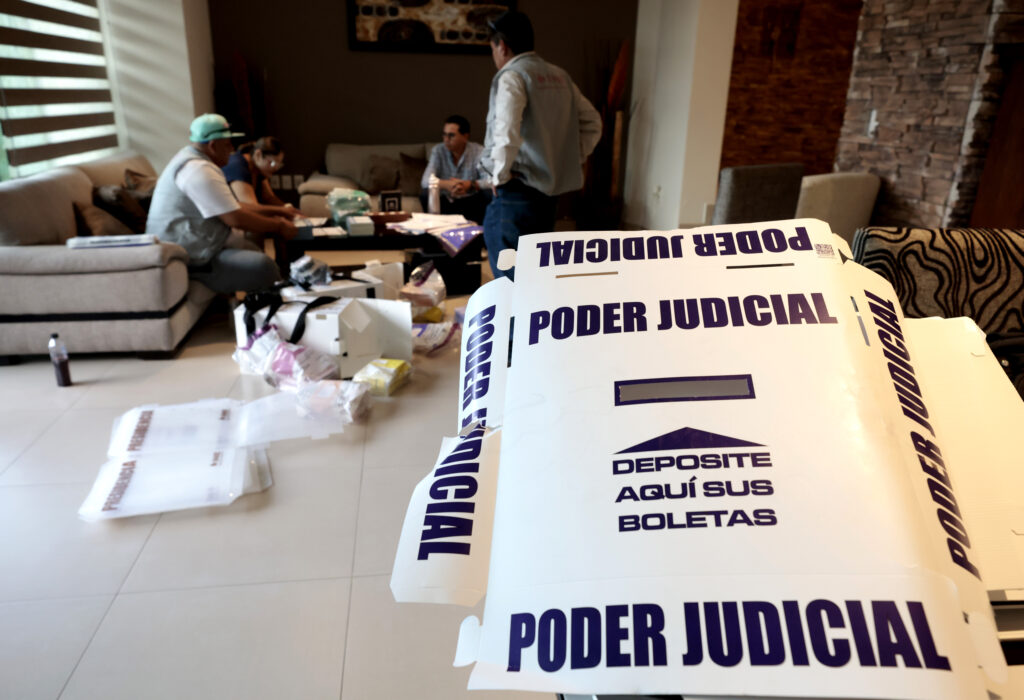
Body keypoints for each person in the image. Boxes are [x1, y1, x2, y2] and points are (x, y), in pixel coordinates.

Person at [479, 10, 602, 279]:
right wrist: (567, 159)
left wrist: (498, 177)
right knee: (534, 277)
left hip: (514, 193)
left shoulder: (512, 76)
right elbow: (593, 123)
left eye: (492, 49)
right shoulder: (560, 76)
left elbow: (507, 131)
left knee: (509, 282)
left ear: (502, 46)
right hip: (547, 198)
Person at [147, 114, 298, 294]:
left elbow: (233, 206)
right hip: (189, 257)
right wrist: (279, 226)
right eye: (227, 144)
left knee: (255, 252)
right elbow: (235, 218)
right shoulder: (199, 170)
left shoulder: (194, 161)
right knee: (263, 266)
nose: (232, 149)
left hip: (195, 247)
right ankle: (278, 307)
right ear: (213, 145)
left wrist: (280, 212)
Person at [222, 136, 291, 261]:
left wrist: (288, 209)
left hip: (242, 217)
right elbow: (252, 208)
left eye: (278, 164)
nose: (275, 168)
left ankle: (284, 266)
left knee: (284, 224)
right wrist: (282, 214)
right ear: (258, 155)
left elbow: (269, 197)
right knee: (275, 224)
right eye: (272, 163)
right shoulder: (238, 167)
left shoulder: (258, 168)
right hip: (231, 223)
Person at [419, 115, 490, 224]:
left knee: (488, 193)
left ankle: (480, 229)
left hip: (470, 201)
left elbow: (490, 181)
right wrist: (446, 184)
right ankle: (433, 228)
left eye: (451, 135)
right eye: (444, 135)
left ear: (465, 136)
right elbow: (425, 181)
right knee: (425, 193)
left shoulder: (478, 151)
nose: (446, 139)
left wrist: (469, 184)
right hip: (446, 200)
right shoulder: (438, 151)